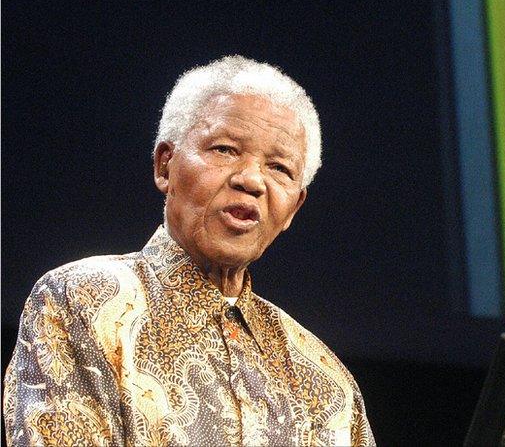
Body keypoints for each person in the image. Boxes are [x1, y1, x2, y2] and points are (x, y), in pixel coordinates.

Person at [3, 56, 375, 446]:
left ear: (293, 209)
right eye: (226, 149)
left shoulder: (327, 381)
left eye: (279, 168)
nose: (251, 180)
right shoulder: (84, 301)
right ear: (165, 166)